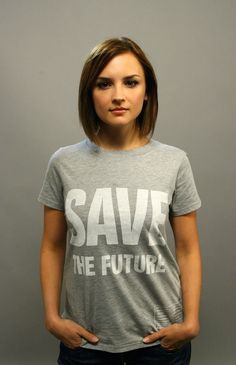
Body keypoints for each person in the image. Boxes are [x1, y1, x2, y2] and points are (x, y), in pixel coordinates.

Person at [37, 36, 202, 365]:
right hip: (86, 342)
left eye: (131, 82)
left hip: (159, 340)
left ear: (147, 91)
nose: (118, 96)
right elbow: (52, 246)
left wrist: (190, 323)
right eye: (103, 84)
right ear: (89, 93)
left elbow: (188, 248)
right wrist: (53, 318)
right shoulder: (63, 163)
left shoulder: (174, 162)